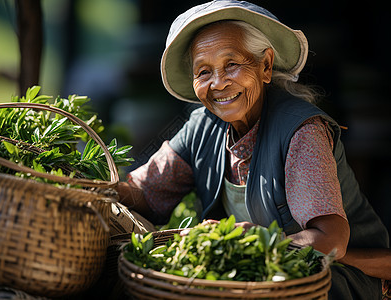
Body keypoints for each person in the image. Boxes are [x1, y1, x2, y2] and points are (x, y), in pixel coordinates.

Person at [116, 1, 390, 298]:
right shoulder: (202, 125)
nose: (218, 83)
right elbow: (145, 193)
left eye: (232, 64)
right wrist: (96, 187)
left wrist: (257, 241)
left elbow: (330, 241)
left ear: (266, 66)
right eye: (203, 71)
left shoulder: (301, 132)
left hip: (327, 281)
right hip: (251, 283)